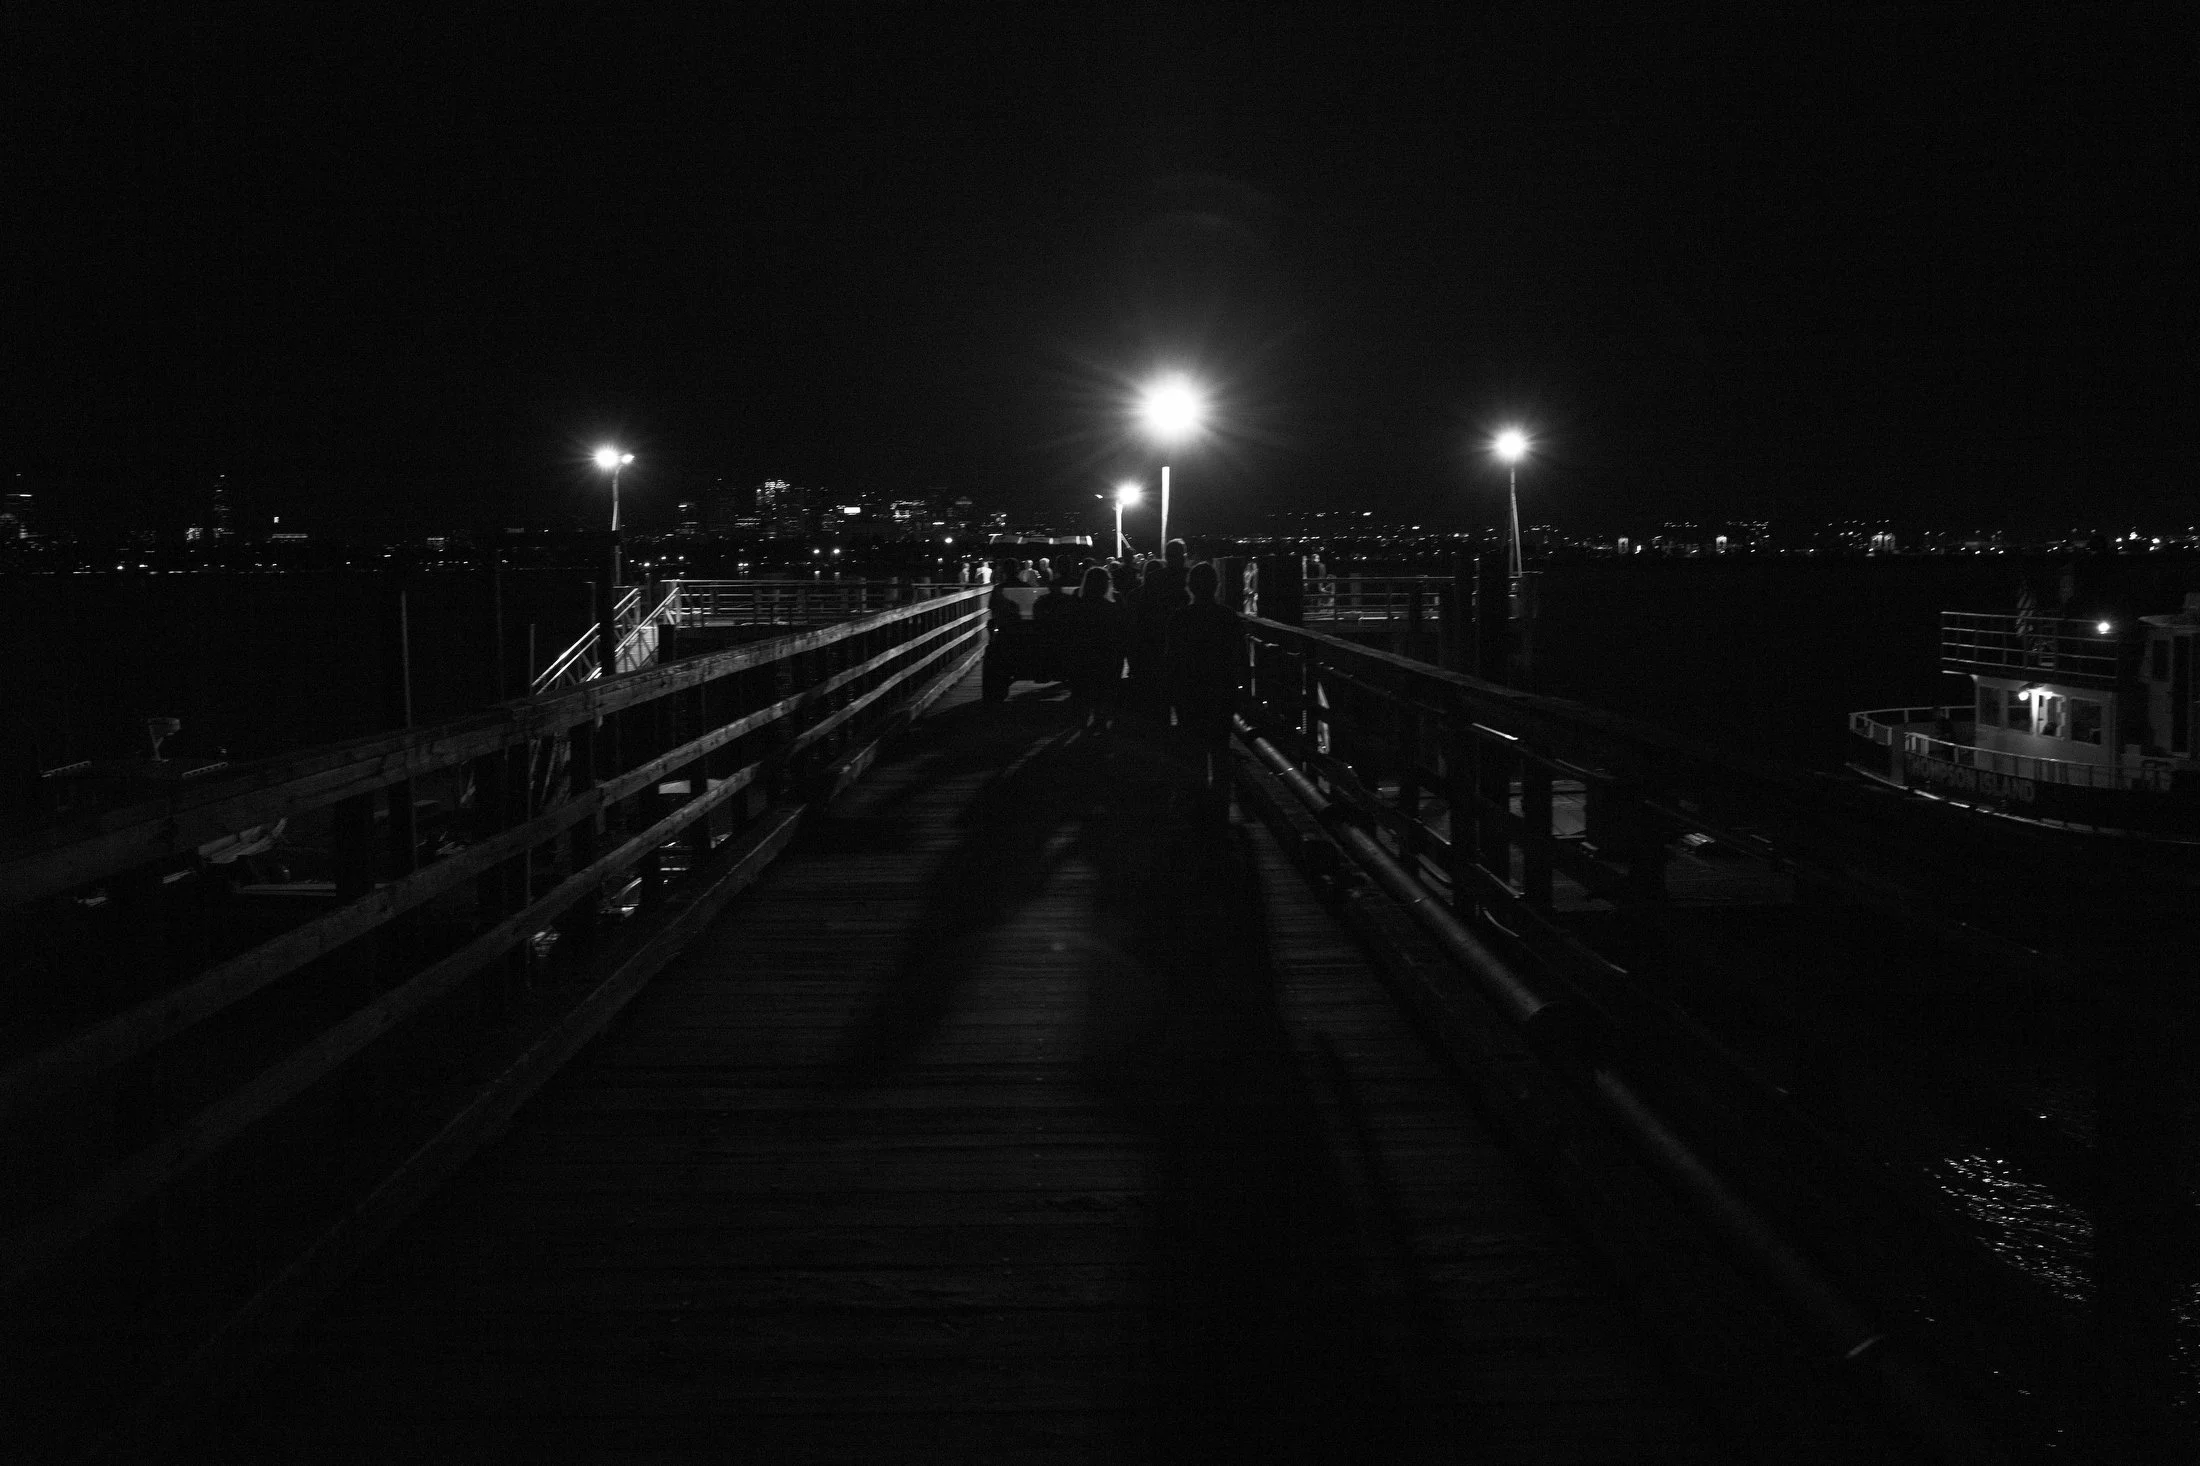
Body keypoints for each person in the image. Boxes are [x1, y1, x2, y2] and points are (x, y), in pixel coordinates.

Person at [1165, 561, 1243, 791]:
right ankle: (1220, 798)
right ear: (1216, 586)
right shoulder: (1228, 617)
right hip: (1221, 690)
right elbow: (1238, 656)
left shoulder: (1179, 618)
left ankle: (1196, 796)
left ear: (1189, 587)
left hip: (1189, 690)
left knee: (1193, 747)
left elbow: (1172, 658)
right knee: (1220, 747)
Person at [1057, 565, 1128, 729]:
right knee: (1105, 689)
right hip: (1108, 655)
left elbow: (1068, 629)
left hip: (1083, 654)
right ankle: (1100, 721)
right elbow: (1124, 627)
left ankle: (1082, 722)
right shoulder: (1114, 603)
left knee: (1082, 689)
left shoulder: (1077, 603)